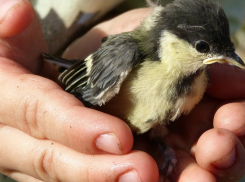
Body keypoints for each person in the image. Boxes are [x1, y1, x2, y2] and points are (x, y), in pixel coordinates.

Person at [0, 0, 245, 182]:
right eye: (203, 47)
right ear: (169, 40)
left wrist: (165, 150)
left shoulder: (199, 77)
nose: (219, 58)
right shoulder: (128, 58)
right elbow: (78, 87)